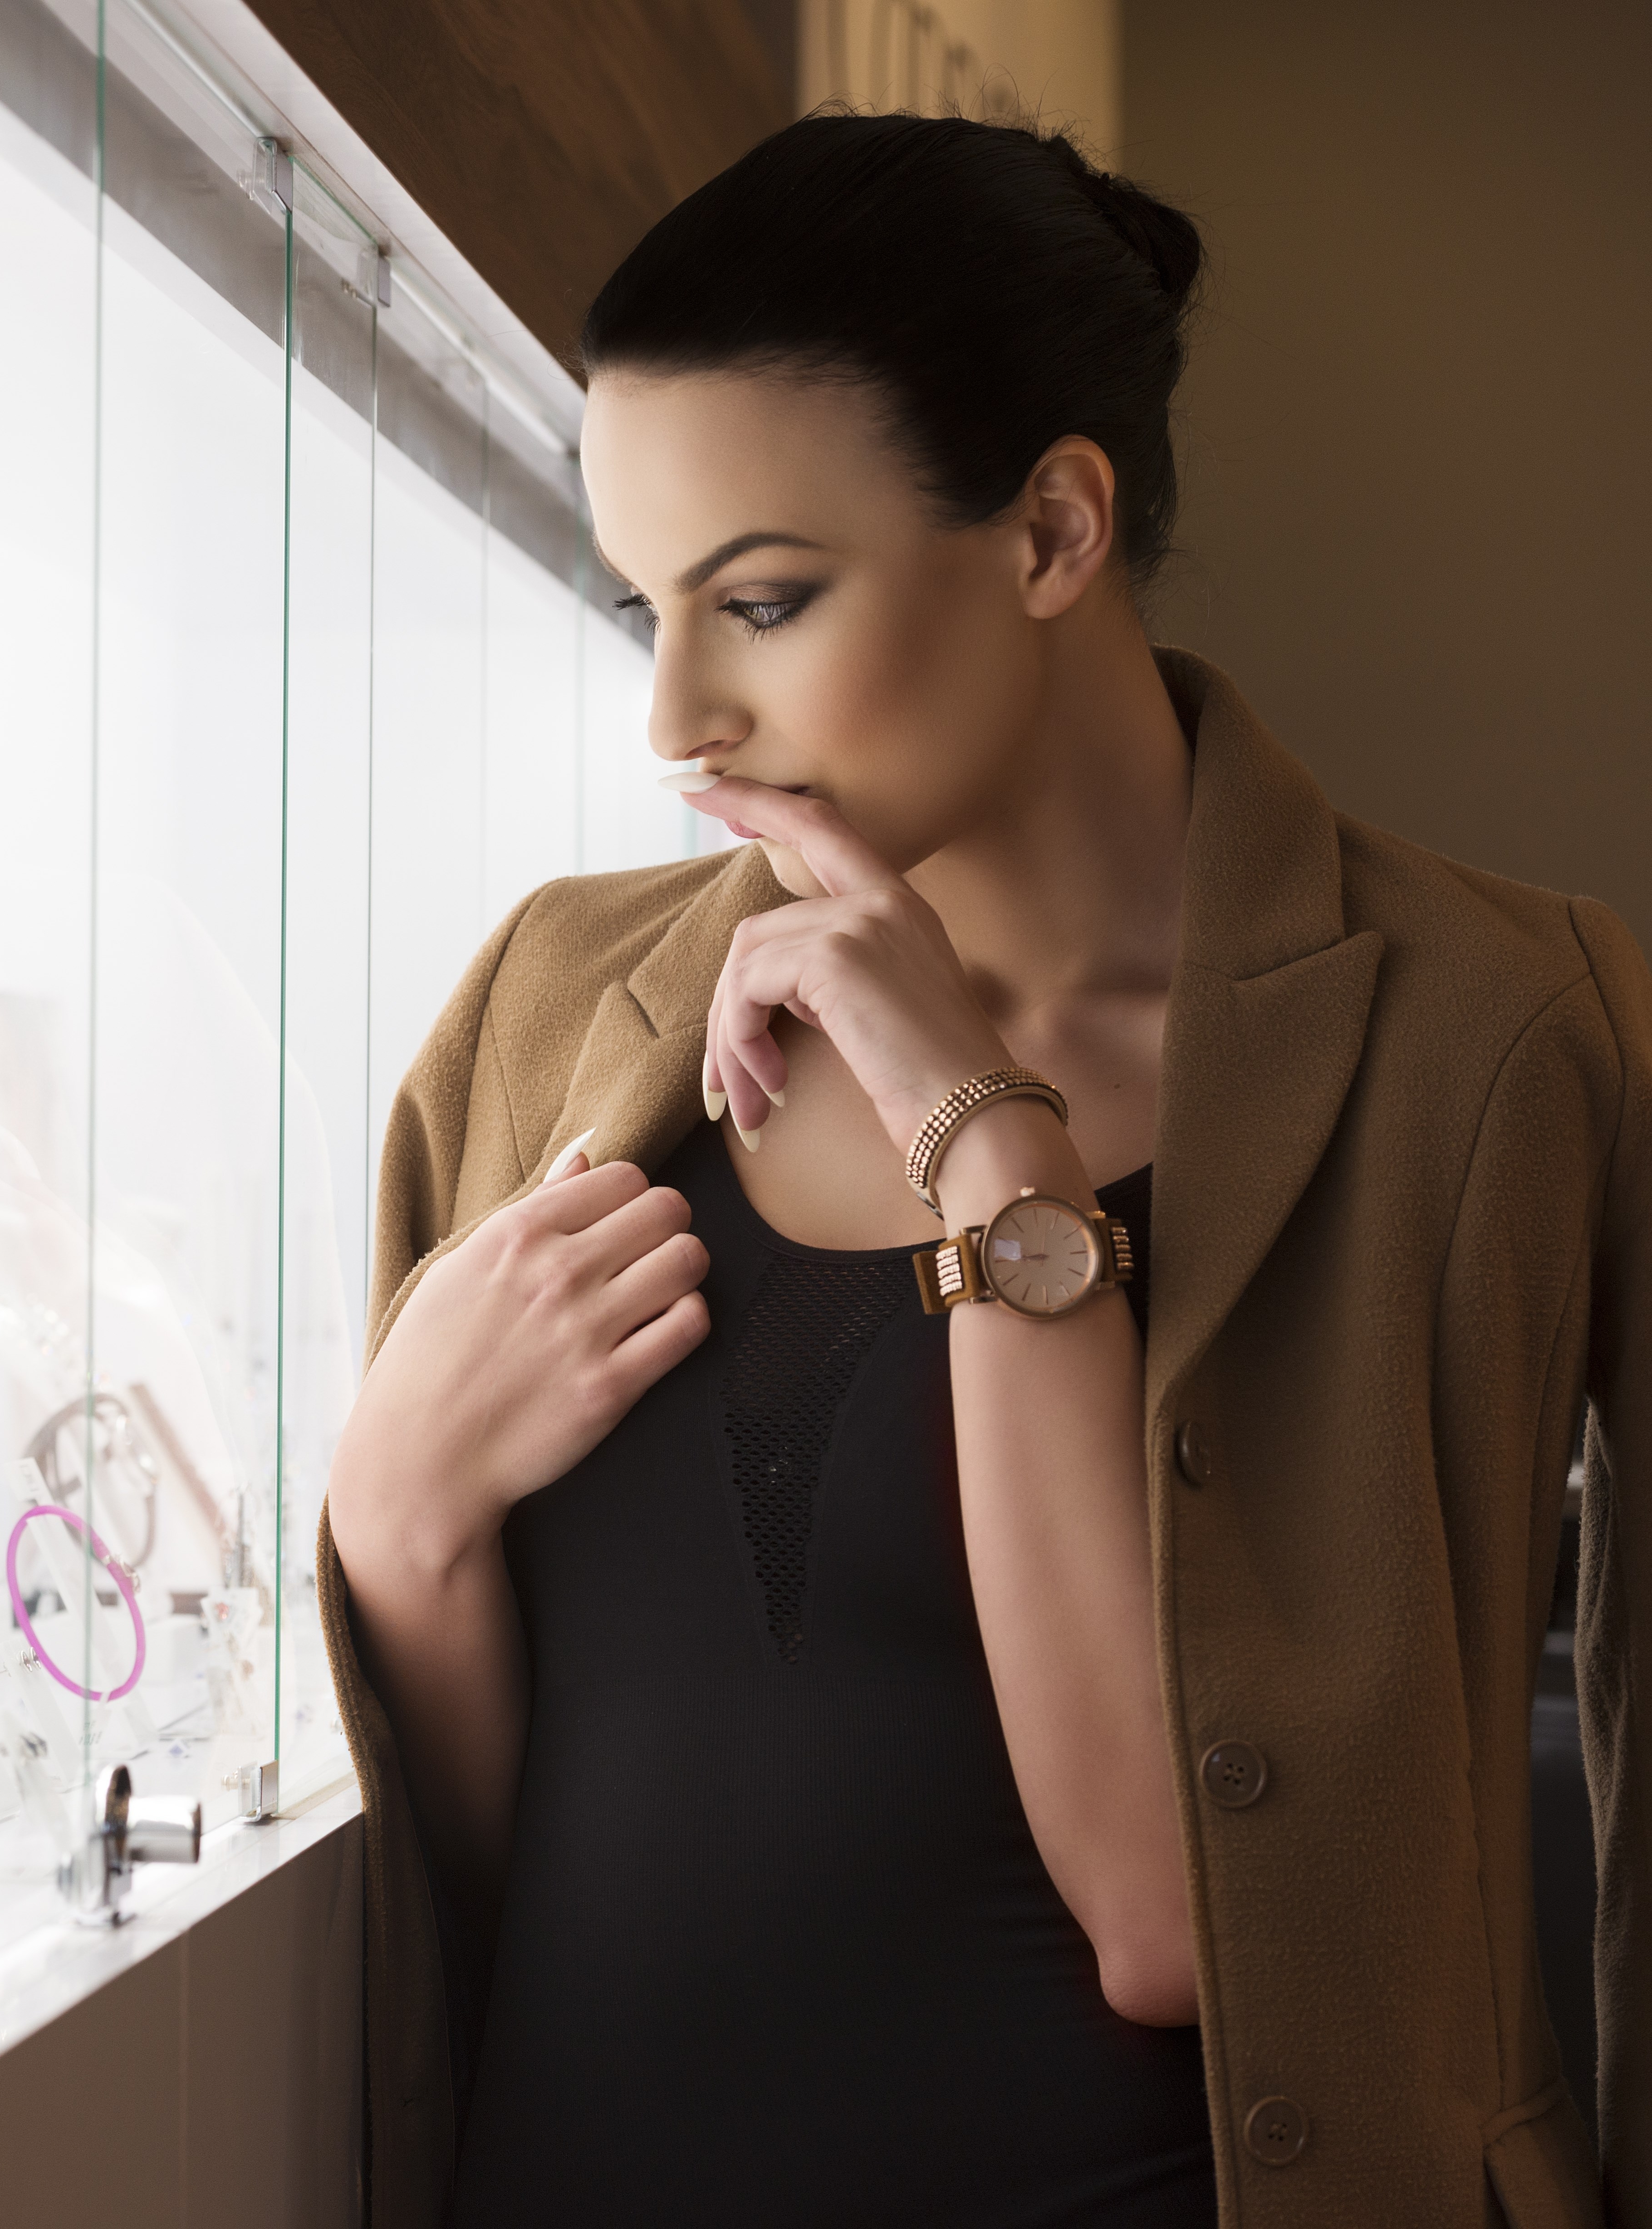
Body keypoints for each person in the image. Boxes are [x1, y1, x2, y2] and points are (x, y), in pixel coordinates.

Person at [321, 109, 1652, 2227]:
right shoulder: (550, 1006)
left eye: (759, 599)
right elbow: (500, 1860)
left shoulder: (1496, 1034)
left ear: (1050, 531)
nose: (676, 711)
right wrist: (394, 1511)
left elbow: (1177, 1918)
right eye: (641, 604)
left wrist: (974, 1122)